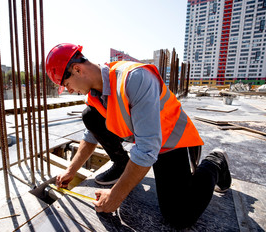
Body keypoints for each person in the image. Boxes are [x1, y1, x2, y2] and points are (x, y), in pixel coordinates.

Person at [45, 43, 232, 228]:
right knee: (90, 116)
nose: (69, 91)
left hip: (172, 140)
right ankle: (122, 164)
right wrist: (71, 170)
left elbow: (147, 149)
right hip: (144, 138)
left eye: (66, 84)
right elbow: (91, 137)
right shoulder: (93, 96)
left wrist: (115, 196)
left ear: (77, 69)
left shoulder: (134, 78)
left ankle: (215, 162)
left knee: (179, 216)